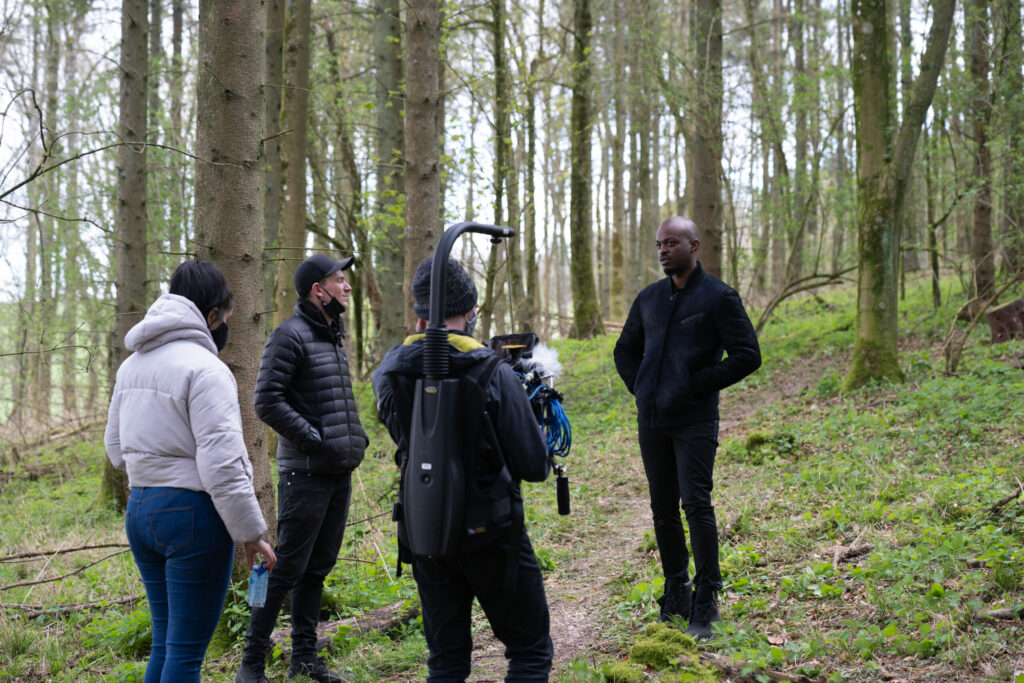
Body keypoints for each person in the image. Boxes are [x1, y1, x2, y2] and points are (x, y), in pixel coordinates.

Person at [372, 257, 553, 682]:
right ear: (470, 312)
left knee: (446, 661)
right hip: (492, 531)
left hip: (424, 530)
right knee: (528, 651)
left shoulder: (389, 373)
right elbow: (534, 465)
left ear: (419, 314)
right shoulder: (493, 371)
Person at [105, 261, 277, 683]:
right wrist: (251, 533)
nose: (225, 329)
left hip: (141, 509)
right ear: (213, 314)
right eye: (227, 319)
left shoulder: (131, 366)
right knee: (184, 656)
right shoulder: (206, 369)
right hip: (192, 516)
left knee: (165, 645)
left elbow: (114, 449)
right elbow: (222, 464)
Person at [614, 216, 762, 639]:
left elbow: (748, 354)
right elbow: (625, 349)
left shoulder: (718, 298)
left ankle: (706, 597)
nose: (662, 250)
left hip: (695, 419)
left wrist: (696, 385)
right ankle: (676, 588)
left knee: (696, 504)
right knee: (662, 510)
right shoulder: (649, 299)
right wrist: (641, 388)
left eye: (671, 243)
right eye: (659, 244)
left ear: (694, 246)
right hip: (653, 420)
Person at [236, 254, 368, 683]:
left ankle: (305, 659)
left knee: (318, 567)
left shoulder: (332, 335)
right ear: (318, 288)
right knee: (285, 568)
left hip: (337, 472)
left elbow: (331, 401)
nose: (347, 287)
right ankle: (252, 663)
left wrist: (355, 438)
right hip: (305, 474)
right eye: (339, 280)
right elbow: (266, 400)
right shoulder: (288, 336)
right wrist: (313, 439)